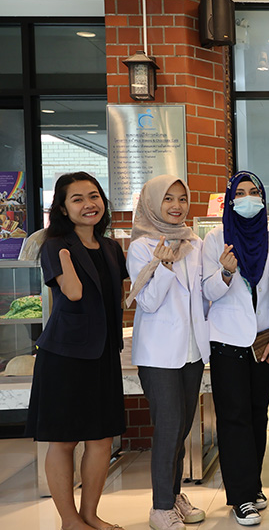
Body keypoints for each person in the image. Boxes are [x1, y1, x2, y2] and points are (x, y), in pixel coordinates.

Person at [26, 172, 128, 530]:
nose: (89, 204)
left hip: (103, 354)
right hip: (66, 357)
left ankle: (90, 515)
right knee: (65, 440)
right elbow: (72, 293)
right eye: (78, 199)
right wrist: (69, 257)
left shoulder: (113, 247)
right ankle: (70, 520)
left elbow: (123, 296)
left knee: (101, 439)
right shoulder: (55, 244)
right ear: (63, 208)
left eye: (94, 196)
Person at [201, 171, 269, 526]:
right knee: (233, 418)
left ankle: (253, 485)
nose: (248, 198)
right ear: (230, 198)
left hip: (262, 341)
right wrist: (224, 273)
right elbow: (207, 292)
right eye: (241, 193)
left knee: (258, 415)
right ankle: (240, 497)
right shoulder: (215, 238)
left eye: (255, 192)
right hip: (226, 341)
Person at [126, 174, 209, 530]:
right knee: (169, 426)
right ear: (152, 203)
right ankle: (160, 507)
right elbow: (146, 300)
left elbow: (202, 296)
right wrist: (163, 266)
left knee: (183, 427)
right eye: (168, 199)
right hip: (159, 353)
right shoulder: (141, 246)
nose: (176, 206)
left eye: (182, 199)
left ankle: (174, 495)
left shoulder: (193, 241)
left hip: (191, 350)